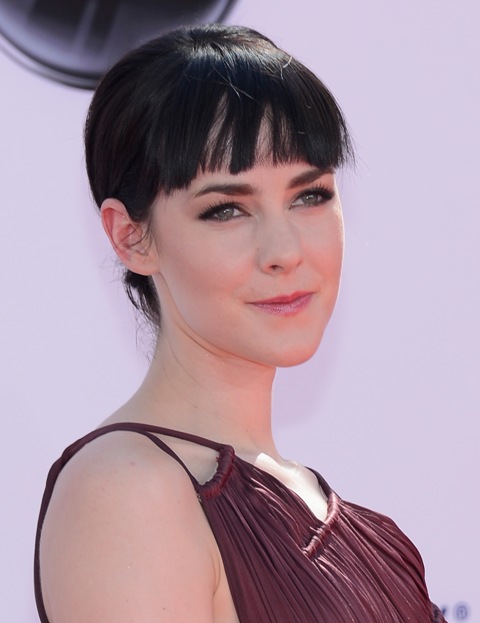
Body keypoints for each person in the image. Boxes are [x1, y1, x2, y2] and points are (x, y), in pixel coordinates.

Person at [34, 24, 446, 623]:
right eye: (226, 210)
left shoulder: (318, 501)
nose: (284, 251)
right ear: (131, 237)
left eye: (310, 196)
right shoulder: (127, 491)